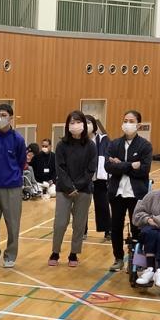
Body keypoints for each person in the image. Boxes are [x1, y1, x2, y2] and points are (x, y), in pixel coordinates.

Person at [105, 110, 153, 271]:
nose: (127, 123)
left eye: (131, 121)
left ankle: (138, 260)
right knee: (116, 227)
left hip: (136, 194)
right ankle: (118, 258)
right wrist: (131, 165)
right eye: (125, 120)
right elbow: (108, 167)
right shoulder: (114, 144)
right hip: (117, 193)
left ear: (138, 125)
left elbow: (144, 170)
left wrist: (120, 164)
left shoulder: (145, 146)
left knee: (137, 227)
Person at [48, 112, 97, 267]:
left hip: (84, 190)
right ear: (67, 125)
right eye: (72, 122)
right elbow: (60, 168)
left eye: (78, 122)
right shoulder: (61, 145)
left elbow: (91, 169)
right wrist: (69, 187)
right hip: (64, 189)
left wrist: (78, 186)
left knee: (79, 224)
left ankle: (74, 253)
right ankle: (55, 252)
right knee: (60, 222)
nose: (75, 125)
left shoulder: (91, 146)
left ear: (83, 124)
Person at [0, 103, 26, 269]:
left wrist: (13, 176)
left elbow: (21, 162)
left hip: (12, 188)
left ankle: (10, 256)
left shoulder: (18, 140)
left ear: (11, 118)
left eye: (3, 115)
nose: (0, 118)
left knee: (13, 224)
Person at [87, 115, 111, 240]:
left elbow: (107, 156)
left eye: (89, 122)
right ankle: (82, 231)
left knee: (102, 205)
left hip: (99, 179)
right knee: (82, 207)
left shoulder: (102, 139)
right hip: (84, 179)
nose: (86, 125)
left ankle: (107, 230)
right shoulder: (79, 141)